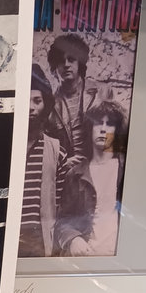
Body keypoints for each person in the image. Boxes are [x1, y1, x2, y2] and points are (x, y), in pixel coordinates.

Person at [54, 101, 126, 257]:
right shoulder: (75, 174)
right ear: (90, 128)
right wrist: (74, 239)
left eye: (110, 124)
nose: (103, 129)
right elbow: (62, 221)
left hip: (119, 257)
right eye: (98, 123)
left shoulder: (125, 170)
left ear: (117, 131)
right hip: (87, 256)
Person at [18, 64, 66, 257]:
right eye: (25, 100)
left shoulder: (56, 151)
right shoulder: (6, 147)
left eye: (37, 101)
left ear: (45, 105)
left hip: (39, 241)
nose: (30, 107)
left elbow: (60, 205)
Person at [45, 33, 102, 162]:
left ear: (80, 62)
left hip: (98, 166)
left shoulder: (101, 93)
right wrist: (63, 162)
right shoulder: (50, 104)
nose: (66, 64)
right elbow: (48, 146)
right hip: (68, 170)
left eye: (71, 59)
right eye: (61, 61)